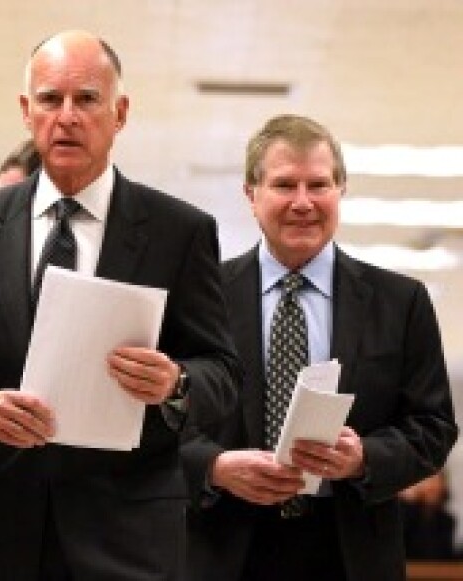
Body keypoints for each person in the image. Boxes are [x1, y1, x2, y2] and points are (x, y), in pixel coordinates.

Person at [0, 30, 238, 581]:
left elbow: (222, 370)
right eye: (51, 99)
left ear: (120, 113)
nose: (67, 117)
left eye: (87, 99)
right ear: (26, 112)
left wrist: (176, 383)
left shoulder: (180, 232)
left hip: (127, 536)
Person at [182, 114, 459, 581]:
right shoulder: (201, 298)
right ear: (251, 195)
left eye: (318, 185)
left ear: (340, 190)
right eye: (284, 185)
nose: (303, 202)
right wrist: (215, 466)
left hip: (350, 551)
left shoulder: (400, 302)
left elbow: (434, 428)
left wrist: (365, 457)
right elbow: (158, 423)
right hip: (225, 550)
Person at [400, 471, 458, 560]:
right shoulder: (406, 515)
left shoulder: (446, 520)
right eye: (428, 482)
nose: (432, 486)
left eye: (437, 482)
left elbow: (446, 554)